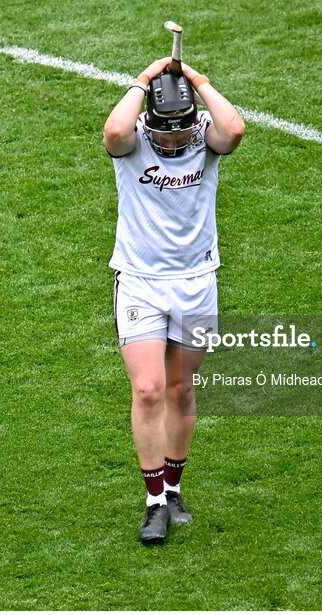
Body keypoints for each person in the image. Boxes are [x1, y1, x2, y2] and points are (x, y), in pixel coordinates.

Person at [103, 55, 245, 544]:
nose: (172, 139)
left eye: (180, 128)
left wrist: (198, 80)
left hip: (196, 280)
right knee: (147, 389)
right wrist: (144, 80)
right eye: (164, 130)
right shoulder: (133, 141)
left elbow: (235, 129)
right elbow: (113, 129)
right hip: (140, 280)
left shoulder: (206, 136)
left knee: (181, 390)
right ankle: (154, 502)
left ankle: (176, 488)